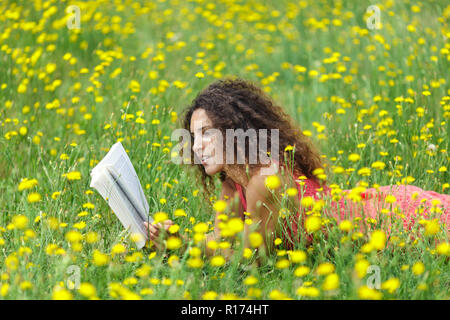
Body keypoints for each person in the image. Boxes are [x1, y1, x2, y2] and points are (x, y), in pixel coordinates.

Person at [144, 78, 449, 256]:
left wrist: (185, 248)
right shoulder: (232, 180)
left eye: (207, 133)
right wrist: (178, 239)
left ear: (235, 130)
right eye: (194, 136)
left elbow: (253, 256)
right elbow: (222, 239)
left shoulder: (266, 178)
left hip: (395, 222)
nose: (196, 146)